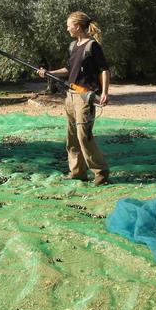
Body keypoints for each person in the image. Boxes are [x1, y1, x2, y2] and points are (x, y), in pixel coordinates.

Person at [38, 11, 111, 186]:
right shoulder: (72, 46)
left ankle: (101, 172)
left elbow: (104, 70)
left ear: (77, 26)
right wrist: (49, 73)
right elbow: (68, 70)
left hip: (84, 97)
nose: (67, 28)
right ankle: (77, 172)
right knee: (72, 137)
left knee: (84, 136)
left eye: (69, 25)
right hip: (70, 95)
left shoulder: (92, 46)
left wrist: (105, 92)